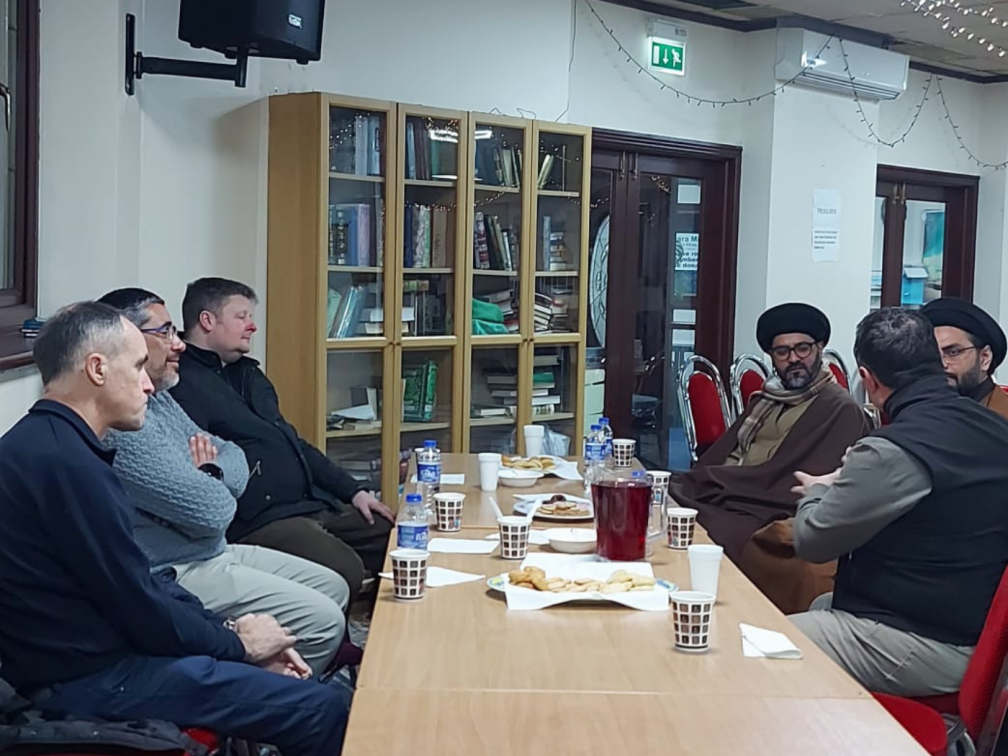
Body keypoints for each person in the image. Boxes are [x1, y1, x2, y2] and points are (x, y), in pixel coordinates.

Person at [0, 301, 348, 755]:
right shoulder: (65, 464)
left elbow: (142, 583)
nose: (148, 384)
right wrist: (238, 645)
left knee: (306, 692)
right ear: (98, 368)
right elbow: (139, 606)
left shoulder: (50, 444)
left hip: (103, 656)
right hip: (88, 679)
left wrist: (228, 629)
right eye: (139, 366)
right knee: (323, 708)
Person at [98, 288, 351, 676]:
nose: (177, 343)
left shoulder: (159, 397)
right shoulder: (123, 421)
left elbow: (232, 454)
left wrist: (207, 476)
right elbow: (213, 511)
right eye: (165, 332)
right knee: (324, 621)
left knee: (335, 587)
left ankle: (272, 671)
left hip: (211, 549)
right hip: (176, 568)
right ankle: (272, 705)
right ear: (126, 339)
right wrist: (212, 476)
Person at [789, 307, 1008, 697]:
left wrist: (820, 489)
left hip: (928, 642)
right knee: (822, 604)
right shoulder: (992, 426)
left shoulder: (895, 448)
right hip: (969, 626)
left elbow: (812, 542)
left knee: (760, 645)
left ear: (868, 380)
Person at [170, 277, 394, 598]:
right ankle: (335, 642)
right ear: (207, 321)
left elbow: (293, 443)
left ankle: (387, 635)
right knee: (345, 569)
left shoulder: (247, 373)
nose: (252, 327)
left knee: (396, 536)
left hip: (309, 502)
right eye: (242, 316)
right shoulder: (182, 383)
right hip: (258, 520)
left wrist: (354, 491)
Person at [668, 303, 870, 614]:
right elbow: (724, 453)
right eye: (782, 352)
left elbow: (797, 481)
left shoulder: (840, 409)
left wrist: (722, 483)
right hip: (729, 490)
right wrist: (713, 480)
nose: (793, 359)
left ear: (820, 348)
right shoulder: (767, 398)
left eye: (802, 348)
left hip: (761, 505)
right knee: (666, 497)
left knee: (714, 527)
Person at [920, 296, 1008, 421]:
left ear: (985, 358)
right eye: (933, 353)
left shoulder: (1002, 418)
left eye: (953, 352)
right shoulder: (919, 416)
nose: (942, 363)